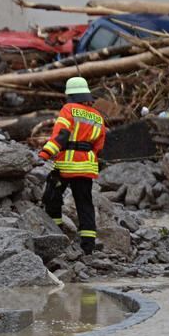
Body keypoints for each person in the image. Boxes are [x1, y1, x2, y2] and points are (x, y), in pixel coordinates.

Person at [38, 77, 108, 255]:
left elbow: (61, 136)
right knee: (85, 204)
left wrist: (44, 154)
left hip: (67, 166)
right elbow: (99, 146)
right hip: (87, 167)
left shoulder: (68, 109)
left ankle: (56, 231)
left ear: (69, 95)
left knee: (52, 197)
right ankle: (88, 246)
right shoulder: (98, 116)